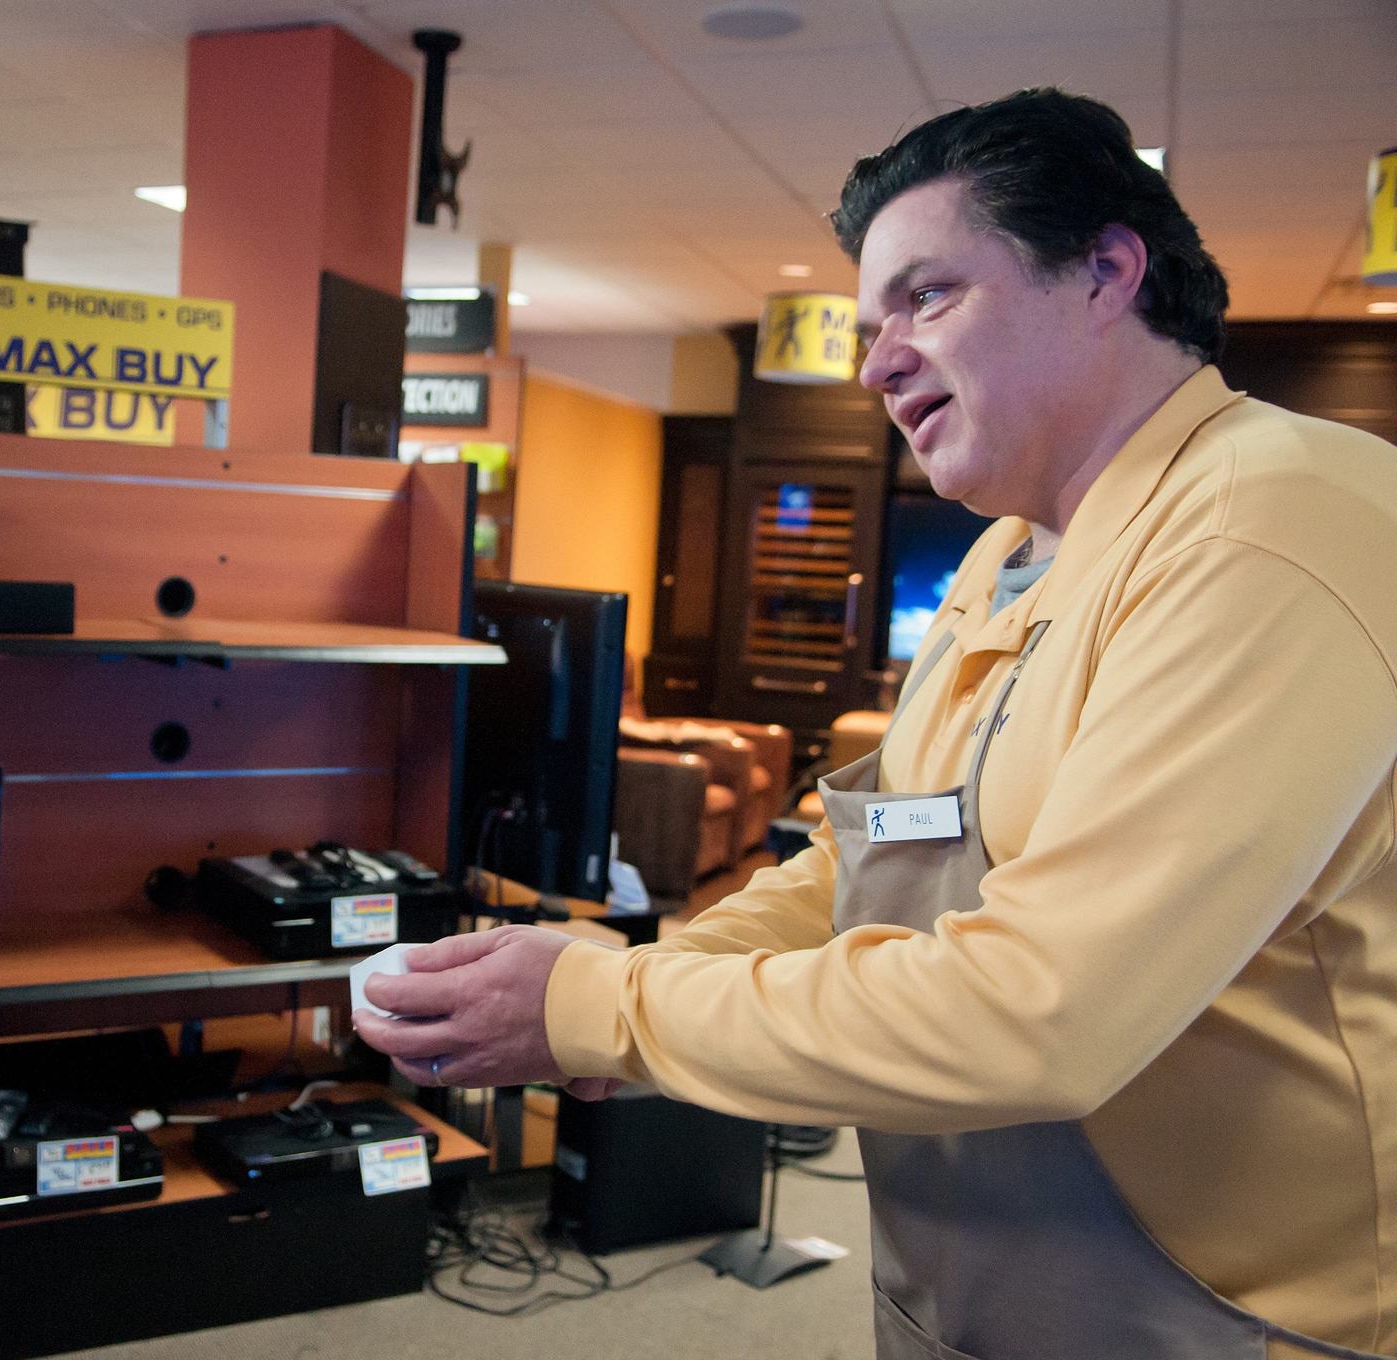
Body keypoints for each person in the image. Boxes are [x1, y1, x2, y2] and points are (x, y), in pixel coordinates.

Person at [357, 88, 1397, 1360]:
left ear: (1104, 272)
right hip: (969, 1276)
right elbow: (874, 864)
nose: (875, 360)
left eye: (927, 296)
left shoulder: (1265, 526)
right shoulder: (1006, 557)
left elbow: (1039, 1011)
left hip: (1229, 1309)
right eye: (867, 322)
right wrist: (655, 988)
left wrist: (603, 1007)